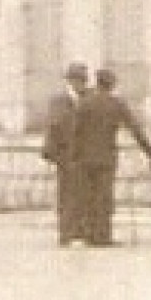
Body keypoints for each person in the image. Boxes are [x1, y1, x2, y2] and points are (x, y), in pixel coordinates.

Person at [72, 66, 151, 246]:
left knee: (88, 196)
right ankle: (103, 236)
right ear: (112, 84)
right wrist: (150, 151)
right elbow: (135, 129)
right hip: (106, 157)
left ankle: (90, 234)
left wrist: (74, 156)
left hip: (84, 158)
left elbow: (75, 131)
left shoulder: (84, 103)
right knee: (104, 197)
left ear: (98, 82)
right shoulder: (117, 104)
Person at [40, 62, 91, 246]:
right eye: (76, 80)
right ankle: (66, 231)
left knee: (84, 193)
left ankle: (81, 229)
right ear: (70, 81)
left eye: (82, 80)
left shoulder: (90, 98)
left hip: (85, 155)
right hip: (65, 154)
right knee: (66, 193)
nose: (79, 84)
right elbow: (52, 126)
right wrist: (49, 151)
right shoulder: (58, 101)